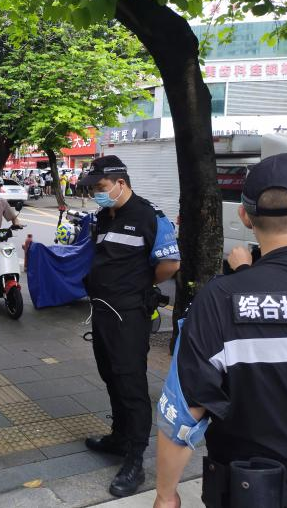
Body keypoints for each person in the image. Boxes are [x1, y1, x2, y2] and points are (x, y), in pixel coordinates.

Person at [154, 153, 287, 508]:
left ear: (244, 216)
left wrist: (166, 497)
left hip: (249, 495)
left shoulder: (219, 300)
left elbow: (182, 412)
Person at [77, 155, 181, 497]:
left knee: (131, 384)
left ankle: (135, 460)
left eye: (101, 186)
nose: (96, 193)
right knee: (110, 376)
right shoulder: (105, 216)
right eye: (93, 188)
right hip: (103, 312)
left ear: (121, 183)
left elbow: (169, 264)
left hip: (129, 315)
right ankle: (119, 437)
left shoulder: (149, 216)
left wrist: (138, 285)